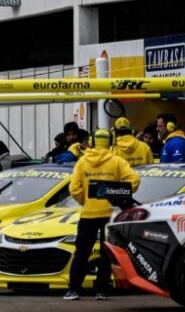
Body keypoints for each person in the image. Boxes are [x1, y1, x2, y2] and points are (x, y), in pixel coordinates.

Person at [64, 129, 139, 301]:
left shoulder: (82, 162)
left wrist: (87, 200)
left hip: (88, 214)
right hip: (110, 214)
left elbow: (73, 188)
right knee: (106, 253)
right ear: (111, 141)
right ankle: (102, 290)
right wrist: (113, 193)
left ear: (91, 141)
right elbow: (135, 180)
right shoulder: (117, 161)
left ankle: (74, 289)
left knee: (82, 252)